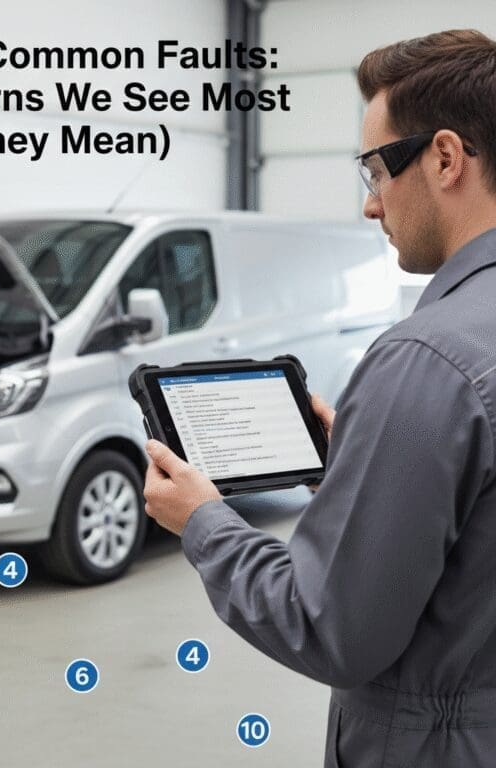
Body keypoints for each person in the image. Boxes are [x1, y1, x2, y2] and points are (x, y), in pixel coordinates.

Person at [143, 29, 496, 767]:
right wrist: (369, 469)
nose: (372, 207)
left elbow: (330, 627)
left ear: (443, 158)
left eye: (374, 172)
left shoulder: (426, 361)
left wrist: (202, 521)